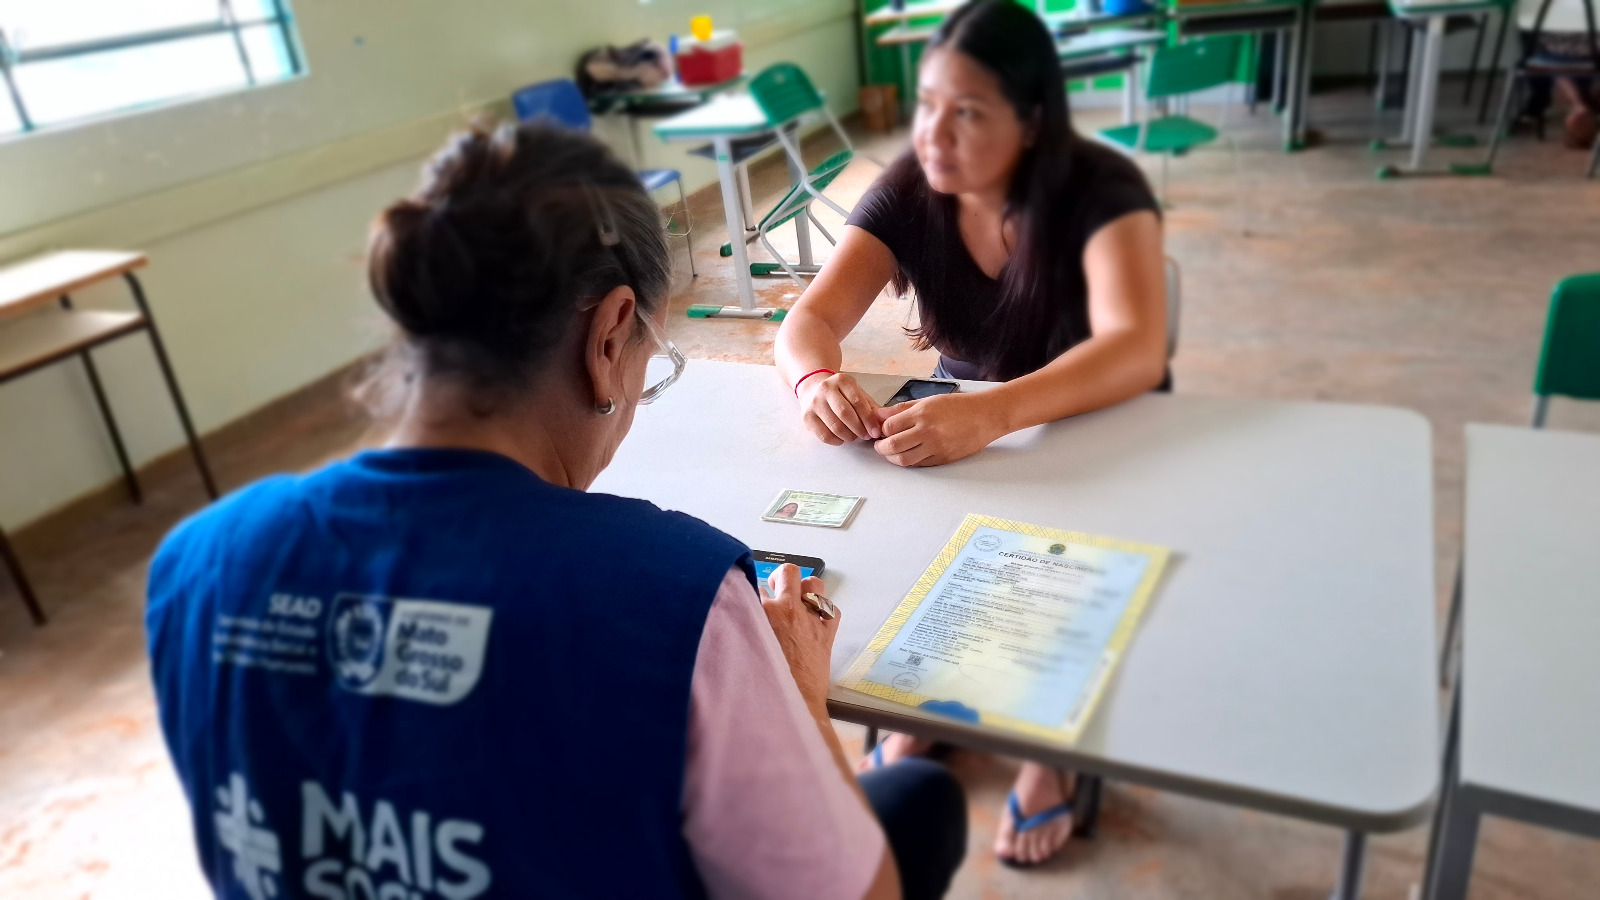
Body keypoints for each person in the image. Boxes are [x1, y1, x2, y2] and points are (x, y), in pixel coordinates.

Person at [147, 122, 966, 900]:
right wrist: (795, 695)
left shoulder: (199, 560)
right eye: (653, 358)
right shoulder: (675, 596)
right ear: (609, 336)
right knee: (917, 802)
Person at [773, 0, 1166, 868]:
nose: (934, 134)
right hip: (978, 425)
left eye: (968, 112)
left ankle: (1044, 753)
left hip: (1104, 428)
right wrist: (814, 380)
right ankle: (930, 713)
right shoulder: (913, 189)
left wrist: (990, 410)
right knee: (942, 550)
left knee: (1058, 568)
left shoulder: (1099, 190)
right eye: (925, 106)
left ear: (1032, 122)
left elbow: (1137, 346)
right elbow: (808, 319)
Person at [1513, 0, 1599, 147]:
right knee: (1558, 64)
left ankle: (1577, 104)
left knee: (1553, 62)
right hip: (1592, 49)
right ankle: (1580, 104)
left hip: (1554, 48)